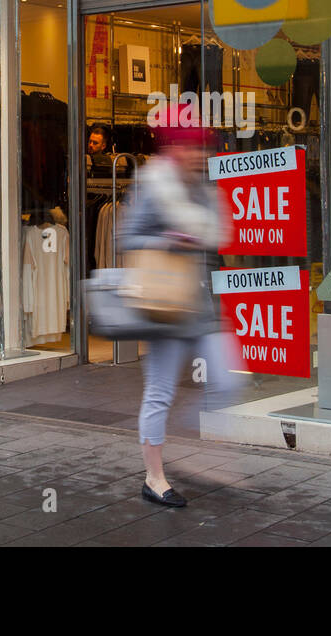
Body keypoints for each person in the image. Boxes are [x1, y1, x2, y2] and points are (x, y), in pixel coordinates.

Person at [118, 106, 232, 507]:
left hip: (199, 307)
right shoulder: (154, 186)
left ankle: (182, 429)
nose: (198, 155)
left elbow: (219, 231)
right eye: (191, 146)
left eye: (202, 147)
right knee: (160, 392)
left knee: (228, 380)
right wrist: (169, 239)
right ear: (174, 149)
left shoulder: (203, 188)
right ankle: (155, 476)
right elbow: (126, 238)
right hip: (163, 305)